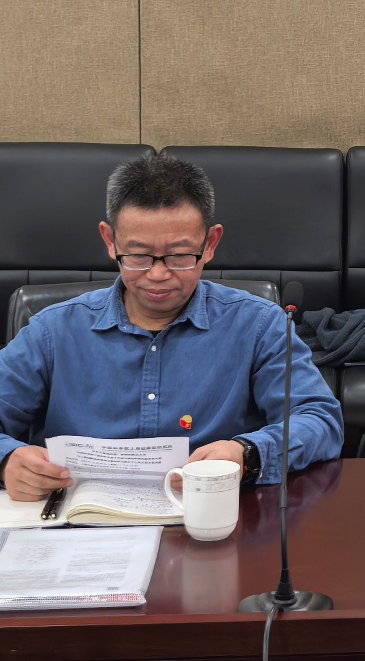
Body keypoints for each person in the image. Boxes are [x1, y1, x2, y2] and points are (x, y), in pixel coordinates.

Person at [0, 154, 344, 501]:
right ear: (110, 241)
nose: (158, 274)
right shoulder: (52, 331)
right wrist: (6, 461)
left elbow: (320, 419)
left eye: (180, 256)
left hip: (210, 513)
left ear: (210, 244)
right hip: (78, 521)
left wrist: (248, 454)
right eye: (138, 255)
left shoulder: (258, 325)